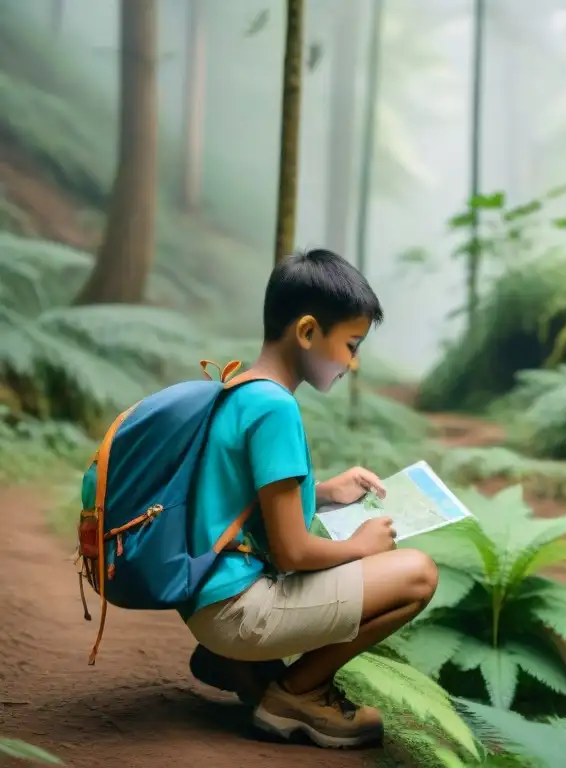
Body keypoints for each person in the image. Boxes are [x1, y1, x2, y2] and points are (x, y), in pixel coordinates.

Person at [182, 248, 439, 749]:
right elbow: (292, 553)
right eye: (350, 344)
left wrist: (321, 493)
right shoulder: (276, 409)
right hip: (237, 611)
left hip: (206, 601)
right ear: (306, 332)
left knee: (396, 569)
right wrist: (361, 546)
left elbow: (240, 500)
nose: (353, 362)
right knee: (418, 574)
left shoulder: (241, 390)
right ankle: (297, 694)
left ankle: (240, 668)